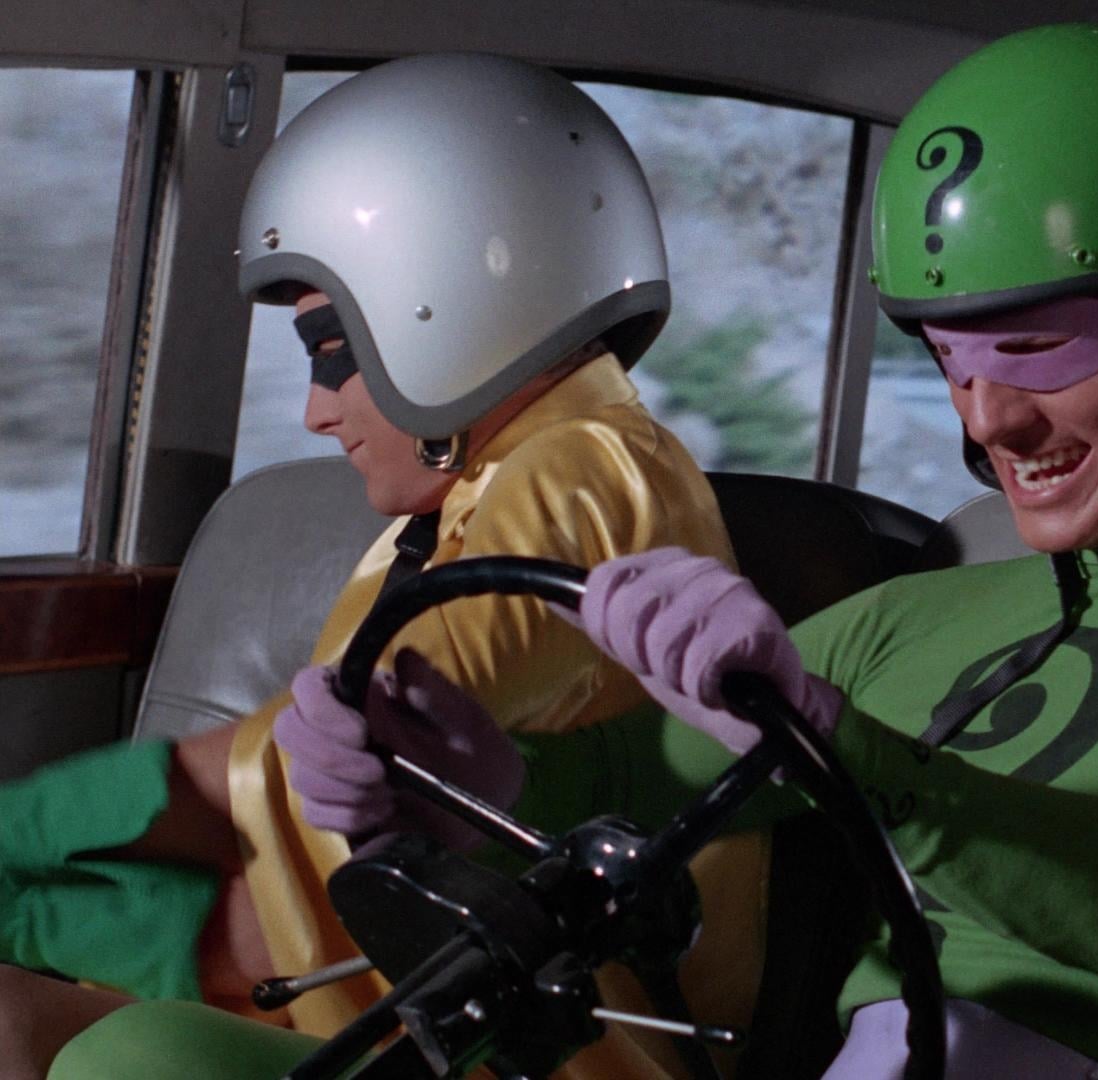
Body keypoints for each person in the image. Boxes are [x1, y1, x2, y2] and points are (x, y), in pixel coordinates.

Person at [44, 23, 1098, 1080]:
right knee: (141, 1055)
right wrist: (451, 778)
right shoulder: (923, 621)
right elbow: (638, 789)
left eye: (1035, 347)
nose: (989, 420)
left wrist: (839, 736)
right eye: (951, 362)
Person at [1, 52, 764, 1080]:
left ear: (445, 306)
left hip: (530, 1047)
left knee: (112, 1048)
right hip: (413, 1001)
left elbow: (373, 753)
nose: (317, 412)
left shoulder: (585, 475)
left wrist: (55, 876)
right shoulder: (478, 492)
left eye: (332, 351)